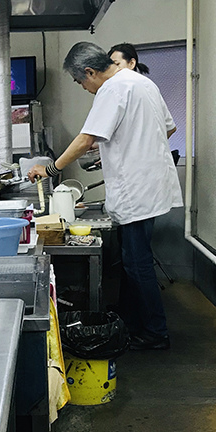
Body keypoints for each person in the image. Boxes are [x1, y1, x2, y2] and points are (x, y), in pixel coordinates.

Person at [28, 42, 183, 350]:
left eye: (79, 82)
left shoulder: (111, 89)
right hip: (151, 186)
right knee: (132, 261)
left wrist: (51, 169)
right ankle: (133, 322)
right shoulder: (142, 82)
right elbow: (168, 128)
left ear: (90, 72)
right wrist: (118, 147)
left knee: (137, 264)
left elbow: (85, 140)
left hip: (136, 190)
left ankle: (156, 333)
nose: (83, 88)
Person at [109, 43, 177, 141]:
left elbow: (170, 128)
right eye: (110, 66)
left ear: (131, 63)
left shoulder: (121, 89)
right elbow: (170, 127)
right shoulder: (149, 85)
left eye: (117, 64)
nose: (113, 70)